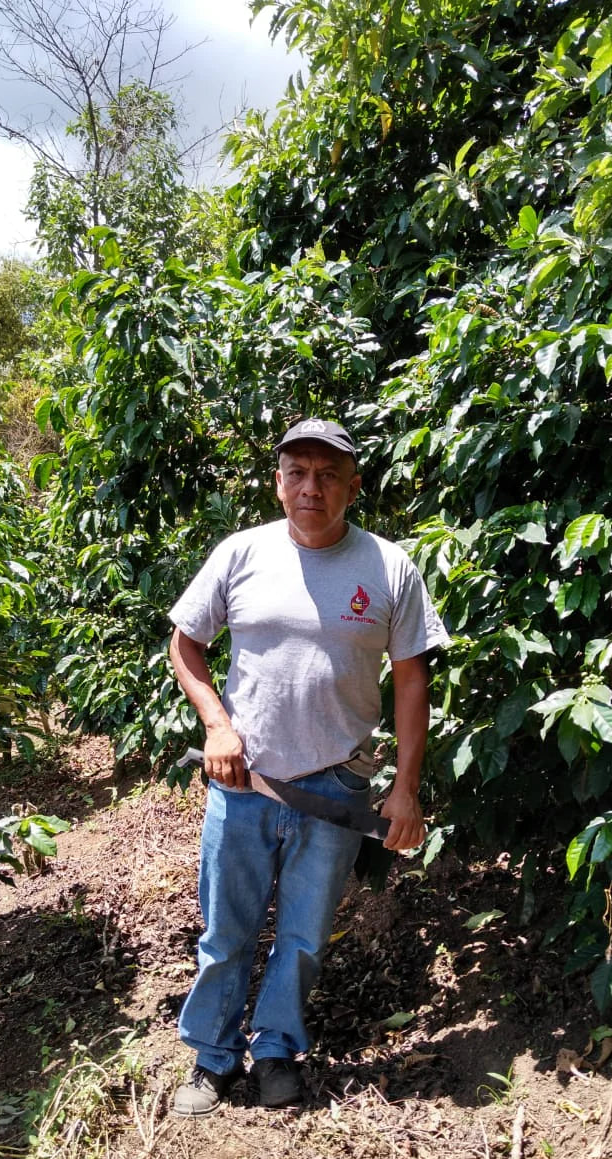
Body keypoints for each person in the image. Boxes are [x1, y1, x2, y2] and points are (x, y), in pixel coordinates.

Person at [168, 418, 448, 1116]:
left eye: (328, 474)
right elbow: (185, 645)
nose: (311, 488)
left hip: (338, 785)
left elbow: (412, 681)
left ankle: (275, 1051)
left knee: (303, 933)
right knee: (225, 927)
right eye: (297, 472)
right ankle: (212, 1058)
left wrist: (404, 789)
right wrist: (218, 726)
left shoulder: (388, 568)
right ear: (278, 482)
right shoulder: (241, 554)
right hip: (245, 780)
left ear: (354, 485)